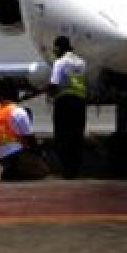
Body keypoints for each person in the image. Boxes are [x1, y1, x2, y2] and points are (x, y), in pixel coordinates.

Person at [46, 36, 87, 179]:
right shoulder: (81, 62)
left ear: (59, 48)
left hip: (64, 103)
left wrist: (48, 91)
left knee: (63, 137)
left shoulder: (60, 63)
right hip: (80, 103)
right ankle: (76, 169)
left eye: (55, 48)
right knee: (77, 136)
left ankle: (67, 170)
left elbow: (54, 83)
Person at [0, 84, 48, 181]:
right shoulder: (19, 111)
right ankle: (17, 171)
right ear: (16, 95)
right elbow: (29, 136)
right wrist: (38, 152)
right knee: (43, 171)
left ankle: (12, 168)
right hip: (14, 153)